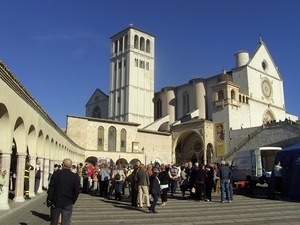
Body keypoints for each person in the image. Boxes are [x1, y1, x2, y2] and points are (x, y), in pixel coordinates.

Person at [47, 158, 80, 225]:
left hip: (56, 201)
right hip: (68, 201)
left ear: (63, 165)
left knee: (54, 221)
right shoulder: (75, 177)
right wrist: (73, 200)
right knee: (66, 221)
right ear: (70, 166)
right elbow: (76, 191)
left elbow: (51, 188)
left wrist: (49, 199)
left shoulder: (56, 174)